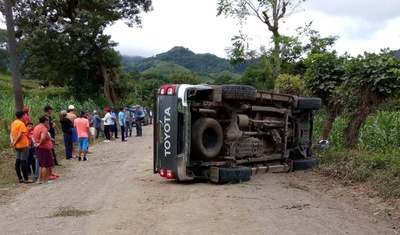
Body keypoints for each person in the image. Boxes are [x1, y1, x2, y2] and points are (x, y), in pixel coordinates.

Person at [10, 111, 35, 183]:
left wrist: (13, 142)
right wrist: (15, 142)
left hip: (17, 146)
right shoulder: (21, 124)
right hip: (23, 145)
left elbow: (11, 134)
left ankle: (20, 178)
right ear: (22, 116)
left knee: (17, 161)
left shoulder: (13, 123)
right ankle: (26, 179)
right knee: (23, 162)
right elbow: (20, 135)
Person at [33, 115, 55, 184]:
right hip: (44, 147)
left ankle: (40, 179)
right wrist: (40, 143)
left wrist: (36, 143)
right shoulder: (43, 129)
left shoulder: (36, 127)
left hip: (39, 148)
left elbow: (33, 137)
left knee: (41, 164)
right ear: (45, 121)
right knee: (45, 164)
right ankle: (45, 179)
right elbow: (43, 138)